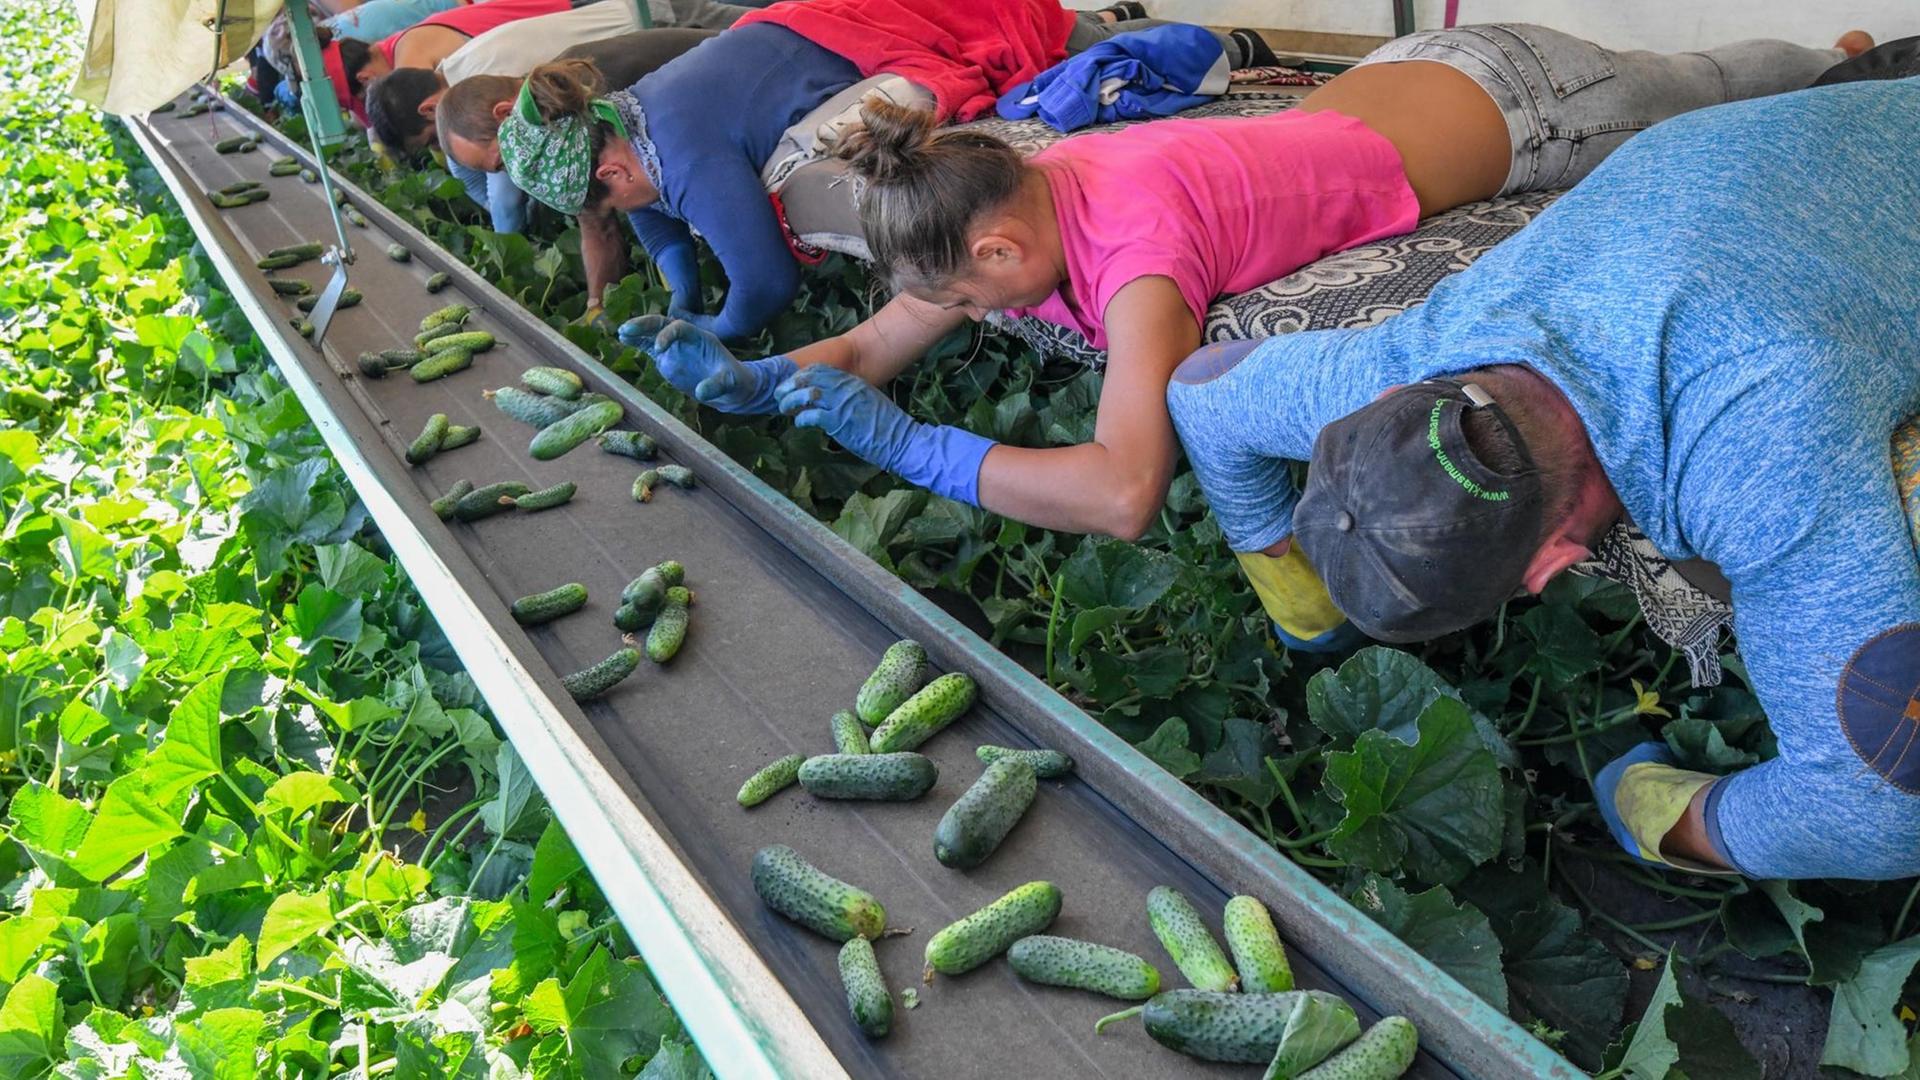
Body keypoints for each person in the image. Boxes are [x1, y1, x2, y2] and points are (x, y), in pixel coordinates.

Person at [619, 24, 1864, 579]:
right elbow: (891, 330)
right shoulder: (1000, 189)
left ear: (995, 255)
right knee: (1699, 82)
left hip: (1517, 101)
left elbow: (1120, 493)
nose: (934, 310)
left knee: (1714, 85)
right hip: (1403, 82)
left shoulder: (1140, 264)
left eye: (953, 292)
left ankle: (1849, 63)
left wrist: (919, 452)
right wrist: (786, 375)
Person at [1162, 75, 1920, 880]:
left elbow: (1885, 813)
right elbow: (1203, 390)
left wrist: (1647, 806)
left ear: (1555, 562)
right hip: (1802, 130)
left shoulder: (1753, 442)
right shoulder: (1405, 361)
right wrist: (1305, 611)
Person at [496, 0, 1283, 338]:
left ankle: (1226, 50)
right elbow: (652, 217)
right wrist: (677, 293)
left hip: (874, 29)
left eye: (607, 200)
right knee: (1046, 30)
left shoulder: (686, 155)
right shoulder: (628, 119)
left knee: (1050, 45)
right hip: (824, 21)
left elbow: (767, 282)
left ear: (607, 171)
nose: (625, 209)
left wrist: (718, 327)